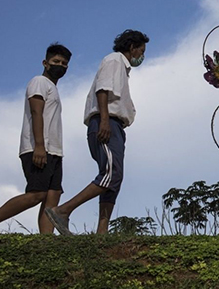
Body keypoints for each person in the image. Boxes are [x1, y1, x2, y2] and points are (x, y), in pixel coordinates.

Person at [46, 30, 149, 235]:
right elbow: (102, 89)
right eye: (142, 50)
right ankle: (63, 211)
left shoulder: (122, 67)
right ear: (132, 47)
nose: (142, 55)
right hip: (106, 122)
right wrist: (104, 120)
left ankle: (102, 231)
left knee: (114, 179)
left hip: (115, 125)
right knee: (111, 174)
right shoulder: (114, 60)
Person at [0, 44, 72, 233]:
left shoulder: (52, 88)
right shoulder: (39, 82)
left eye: (64, 63)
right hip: (38, 148)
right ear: (45, 63)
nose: (60, 66)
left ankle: (46, 242)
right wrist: (39, 146)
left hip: (54, 150)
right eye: (56, 61)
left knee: (53, 194)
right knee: (36, 194)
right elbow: (36, 112)